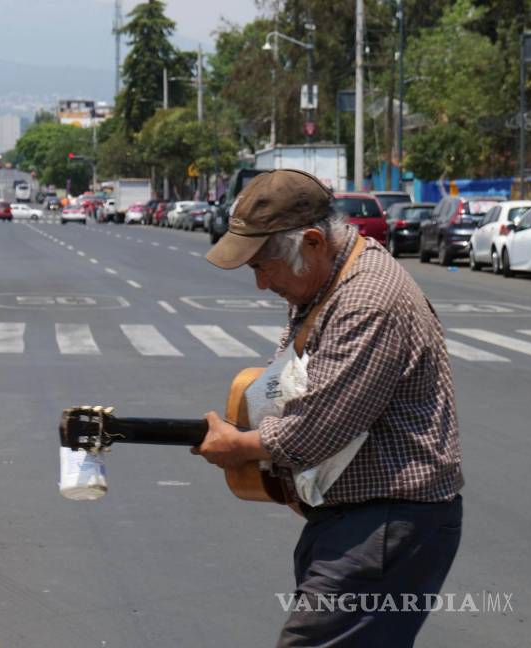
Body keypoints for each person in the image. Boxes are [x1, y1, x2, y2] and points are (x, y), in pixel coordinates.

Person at [191, 169, 463, 648]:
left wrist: (239, 446)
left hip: (385, 525)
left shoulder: (366, 300)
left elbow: (311, 434)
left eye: (262, 266)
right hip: (357, 521)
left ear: (313, 241)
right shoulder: (331, 280)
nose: (260, 284)